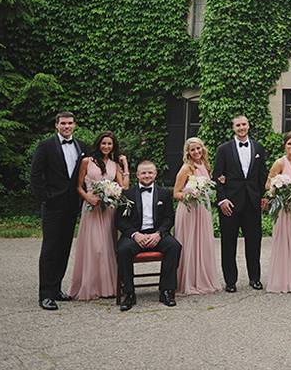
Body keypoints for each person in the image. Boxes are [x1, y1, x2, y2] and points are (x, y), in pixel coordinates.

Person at [30, 111, 88, 310]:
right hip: (53, 205)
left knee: (64, 248)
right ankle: (45, 295)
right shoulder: (46, 145)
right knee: (50, 249)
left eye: (70, 123)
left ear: (75, 125)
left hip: (73, 205)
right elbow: (35, 175)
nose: (66, 126)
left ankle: (56, 289)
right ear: (57, 125)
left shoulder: (81, 146)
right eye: (63, 123)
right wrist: (45, 198)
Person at [68, 131, 129, 300]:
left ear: (113, 146)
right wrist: (87, 197)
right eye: (104, 143)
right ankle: (90, 285)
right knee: (95, 247)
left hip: (108, 209)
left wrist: (125, 165)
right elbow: (78, 185)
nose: (106, 147)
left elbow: (124, 186)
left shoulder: (114, 164)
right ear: (98, 144)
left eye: (110, 144)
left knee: (107, 247)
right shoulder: (87, 161)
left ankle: (107, 286)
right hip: (91, 208)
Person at [115, 160, 182, 311]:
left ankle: (166, 291)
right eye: (143, 173)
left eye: (150, 172)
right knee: (124, 250)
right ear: (137, 175)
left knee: (174, 246)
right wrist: (134, 234)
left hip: (157, 234)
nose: (147, 175)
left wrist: (159, 234)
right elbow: (120, 221)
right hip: (135, 235)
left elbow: (169, 218)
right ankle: (129, 293)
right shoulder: (126, 194)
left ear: (155, 174)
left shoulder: (164, 193)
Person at [213, 115, 268, 292]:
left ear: (248, 126)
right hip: (230, 203)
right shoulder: (224, 149)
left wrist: (264, 196)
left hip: (252, 202)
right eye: (238, 125)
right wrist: (221, 199)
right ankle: (230, 281)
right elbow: (217, 176)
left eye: (244, 124)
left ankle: (255, 278)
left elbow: (262, 175)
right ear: (233, 127)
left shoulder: (258, 147)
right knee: (228, 243)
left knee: (254, 242)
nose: (241, 127)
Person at [173, 137, 220, 296]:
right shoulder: (187, 168)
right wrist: (190, 195)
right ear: (188, 152)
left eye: (198, 148)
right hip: (189, 210)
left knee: (202, 243)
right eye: (193, 150)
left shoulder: (205, 165)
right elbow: (176, 193)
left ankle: (202, 279)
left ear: (203, 149)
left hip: (203, 210)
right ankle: (188, 281)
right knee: (190, 244)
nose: (196, 152)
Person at [265, 132, 291, 293]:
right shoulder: (279, 163)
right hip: (285, 209)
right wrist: (279, 188)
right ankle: (286, 279)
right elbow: (268, 184)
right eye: (289, 144)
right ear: (285, 146)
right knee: (287, 243)